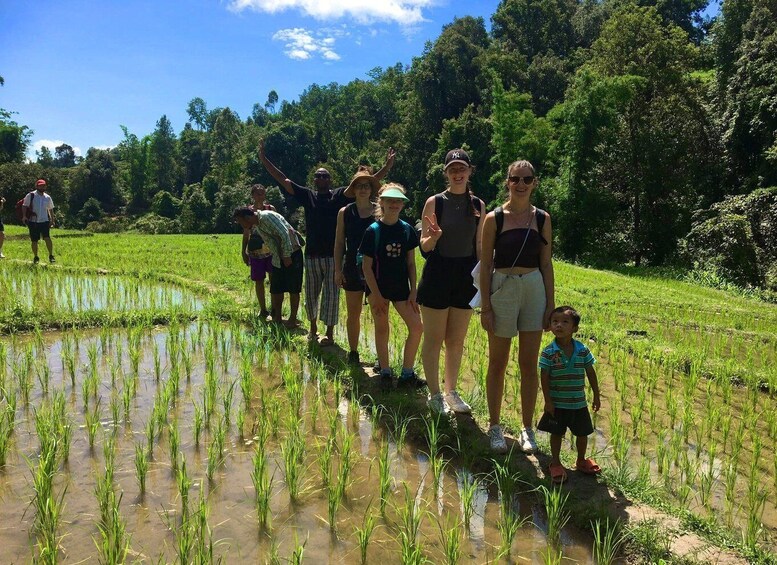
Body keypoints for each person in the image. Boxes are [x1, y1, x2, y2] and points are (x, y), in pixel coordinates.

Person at [259, 140, 395, 346]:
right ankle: (313, 330)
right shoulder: (308, 196)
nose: (321, 178)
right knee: (311, 295)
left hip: (333, 256)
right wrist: (263, 159)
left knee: (332, 297)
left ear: (330, 180)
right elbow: (282, 179)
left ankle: (329, 334)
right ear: (314, 179)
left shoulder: (339, 196)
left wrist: (386, 167)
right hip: (312, 254)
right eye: (318, 175)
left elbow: (365, 183)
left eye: (325, 175)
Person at [480, 160, 555, 453]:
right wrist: (486, 306)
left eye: (527, 179)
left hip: (534, 288)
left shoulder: (542, 219)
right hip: (503, 287)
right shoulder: (494, 219)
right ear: (507, 182)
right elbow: (486, 264)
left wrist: (550, 303)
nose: (521, 184)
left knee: (528, 364)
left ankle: (526, 429)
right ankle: (496, 427)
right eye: (515, 179)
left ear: (534, 182)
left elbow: (546, 263)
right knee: (497, 362)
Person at [418, 149, 484, 415]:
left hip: (465, 275)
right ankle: (434, 394)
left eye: (462, 169)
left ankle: (451, 391)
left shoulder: (478, 205)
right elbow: (424, 247)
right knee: (433, 338)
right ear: (445, 173)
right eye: (452, 169)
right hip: (438, 273)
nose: (457, 173)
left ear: (469, 171)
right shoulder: (435, 202)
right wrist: (433, 237)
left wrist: (484, 277)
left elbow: (479, 244)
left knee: (456, 340)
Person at [359, 184, 425, 391]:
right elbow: (366, 266)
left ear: (402, 204)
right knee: (382, 328)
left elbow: (411, 264)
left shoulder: (407, 230)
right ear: (382, 203)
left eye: (398, 201)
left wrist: (414, 290)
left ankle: (407, 373)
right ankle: (386, 372)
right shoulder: (373, 231)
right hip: (377, 288)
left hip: (401, 289)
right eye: (390, 201)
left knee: (417, 327)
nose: (394, 204)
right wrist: (376, 296)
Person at [538, 306, 601, 483]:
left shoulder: (582, 350)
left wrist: (596, 395)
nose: (559, 325)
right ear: (550, 326)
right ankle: (556, 462)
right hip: (558, 403)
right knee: (556, 433)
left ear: (575, 328)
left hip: (579, 403)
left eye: (565, 322)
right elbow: (544, 377)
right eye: (555, 322)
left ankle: (581, 460)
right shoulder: (548, 352)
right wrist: (548, 401)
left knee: (583, 433)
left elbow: (590, 372)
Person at [333, 169, 380, 365]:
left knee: (379, 313)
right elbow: (338, 243)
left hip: (375, 269)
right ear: (353, 189)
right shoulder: (345, 212)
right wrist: (337, 269)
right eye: (359, 185)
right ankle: (353, 352)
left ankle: (381, 358)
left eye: (366, 185)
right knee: (353, 313)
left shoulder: (379, 210)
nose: (363, 189)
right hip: (351, 267)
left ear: (371, 189)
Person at [233, 206, 303, 328]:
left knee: (293, 288)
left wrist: (286, 256)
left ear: (247, 218)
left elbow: (284, 234)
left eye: (241, 222)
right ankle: (278, 318)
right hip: (277, 257)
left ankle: (292, 319)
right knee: (276, 288)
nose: (242, 226)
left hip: (292, 253)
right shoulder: (258, 225)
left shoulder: (267, 217)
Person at [241, 184, 276, 319]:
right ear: (253, 195)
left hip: (271, 250)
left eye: (263, 193)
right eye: (258, 193)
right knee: (259, 281)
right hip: (255, 252)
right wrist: (243, 251)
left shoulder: (270, 209)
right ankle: (263, 309)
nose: (261, 196)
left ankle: (274, 308)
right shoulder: (248, 211)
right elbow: (246, 233)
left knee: (274, 280)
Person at [22, 179, 56, 264]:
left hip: (44, 221)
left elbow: (50, 209)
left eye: (43, 185)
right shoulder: (31, 195)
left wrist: (52, 220)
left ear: (45, 186)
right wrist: (24, 216)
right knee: (34, 240)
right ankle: (36, 256)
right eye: (40, 185)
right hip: (33, 221)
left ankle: (51, 255)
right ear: (36, 186)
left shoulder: (47, 197)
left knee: (47, 238)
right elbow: (24, 206)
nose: (42, 187)